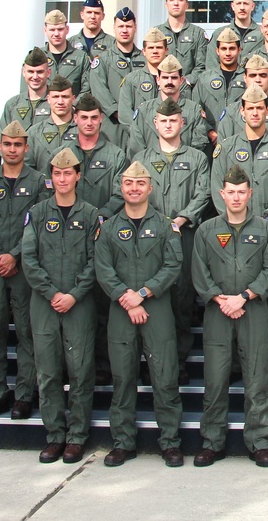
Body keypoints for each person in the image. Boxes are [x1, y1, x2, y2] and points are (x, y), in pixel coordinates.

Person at [192, 164, 268, 468]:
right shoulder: (207, 230)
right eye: (230, 192)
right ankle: (211, 441)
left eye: (240, 192)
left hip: (253, 310)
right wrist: (220, 299)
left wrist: (244, 296)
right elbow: (199, 270)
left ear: (250, 194)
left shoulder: (265, 229)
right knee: (215, 379)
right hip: (217, 311)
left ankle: (258, 442)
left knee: (257, 377)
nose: (235, 197)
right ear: (222, 194)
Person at [94, 161, 185, 468]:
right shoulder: (107, 229)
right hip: (121, 310)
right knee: (122, 379)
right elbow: (103, 269)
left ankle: (170, 443)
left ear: (150, 187)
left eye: (140, 183)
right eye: (128, 184)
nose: (134, 188)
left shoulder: (165, 225)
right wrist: (127, 299)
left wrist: (143, 294)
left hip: (156, 307)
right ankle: (122, 442)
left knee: (165, 377)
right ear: (122, 188)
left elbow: (173, 265)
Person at [210, 83, 268, 381]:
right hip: (233, 235)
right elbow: (216, 187)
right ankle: (236, 365)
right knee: (234, 296)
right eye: (249, 108)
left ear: (267, 111)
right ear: (242, 111)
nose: (254, 112)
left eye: (259, 108)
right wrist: (232, 217)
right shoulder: (227, 147)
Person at [20, 148, 100, 464]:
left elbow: (96, 261)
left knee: (80, 371)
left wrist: (73, 294)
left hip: (78, 304)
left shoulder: (92, 215)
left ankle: (76, 437)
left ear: (78, 176)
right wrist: (52, 292)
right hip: (44, 303)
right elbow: (29, 258)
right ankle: (54, 436)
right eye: (57, 173)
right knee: (48, 371)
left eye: (68, 173)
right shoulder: (37, 214)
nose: (63, 178)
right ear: (51, 178)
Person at [0, 121, 50, 420]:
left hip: (24, 266)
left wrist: (15, 255)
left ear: (26, 148)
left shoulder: (40, 182)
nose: (12, 149)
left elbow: (38, 224)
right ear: (0, 147)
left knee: (27, 333)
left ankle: (25, 395)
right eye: (7, 144)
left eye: (18, 144)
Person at [133, 99, 212, 384]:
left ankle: (177, 362)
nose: (168, 125)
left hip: (184, 234)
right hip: (149, 237)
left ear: (183, 123)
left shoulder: (197, 158)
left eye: (173, 120)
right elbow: (134, 192)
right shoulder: (141, 159)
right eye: (163, 121)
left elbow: (203, 193)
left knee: (181, 298)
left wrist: (182, 219)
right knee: (151, 298)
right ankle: (151, 361)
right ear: (155, 124)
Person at [55, 93, 127, 386]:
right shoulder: (62, 153)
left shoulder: (115, 154)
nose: (88, 122)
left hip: (103, 236)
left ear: (100, 119)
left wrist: (99, 217)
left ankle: (101, 365)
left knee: (100, 305)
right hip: (66, 240)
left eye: (94, 117)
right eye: (83, 117)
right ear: (75, 118)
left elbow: (119, 193)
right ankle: (67, 366)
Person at [129, 54, 211, 158]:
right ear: (158, 80)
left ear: (181, 80)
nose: (169, 82)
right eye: (165, 77)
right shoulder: (143, 110)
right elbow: (136, 147)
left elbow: (199, 146)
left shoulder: (194, 110)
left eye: (173, 78)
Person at [89, 7, 145, 146]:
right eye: (120, 26)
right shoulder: (103, 60)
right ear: (114, 28)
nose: (124, 30)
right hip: (112, 125)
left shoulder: (145, 59)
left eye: (128, 26)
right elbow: (100, 92)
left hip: (141, 125)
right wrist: (119, 113)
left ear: (135, 28)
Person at [117, 27, 170, 151]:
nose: (155, 51)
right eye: (151, 48)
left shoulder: (174, 80)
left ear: (166, 50)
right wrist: (143, 134)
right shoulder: (131, 80)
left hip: (169, 143)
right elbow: (125, 115)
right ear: (143, 51)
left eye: (159, 47)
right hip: (139, 145)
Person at [193, 27, 247, 145]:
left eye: (232, 48)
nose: (228, 53)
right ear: (217, 51)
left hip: (241, 142)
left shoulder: (247, 78)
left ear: (239, 50)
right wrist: (210, 132)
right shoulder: (204, 79)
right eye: (224, 49)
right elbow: (196, 110)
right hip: (210, 142)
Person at [157, 0, 209, 87]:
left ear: (186, 5)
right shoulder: (157, 33)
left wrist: (186, 81)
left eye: (180, 0)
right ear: (166, 4)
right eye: (172, 0)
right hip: (162, 90)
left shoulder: (198, 33)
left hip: (190, 90)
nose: (176, 3)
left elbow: (202, 66)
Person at [24, 75, 77, 171]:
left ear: (73, 99)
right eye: (56, 97)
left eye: (65, 97)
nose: (60, 102)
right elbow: (27, 169)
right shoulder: (34, 133)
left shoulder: (82, 131)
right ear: (48, 99)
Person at [34, 9, 90, 96]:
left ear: (67, 29)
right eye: (52, 30)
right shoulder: (37, 57)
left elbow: (87, 88)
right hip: (42, 109)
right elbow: (28, 89)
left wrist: (74, 106)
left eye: (60, 29)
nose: (56, 34)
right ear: (45, 31)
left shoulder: (81, 57)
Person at [209, 0, 263, 68]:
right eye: (238, 3)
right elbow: (211, 66)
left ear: (252, 6)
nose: (242, 8)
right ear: (233, 6)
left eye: (245, 3)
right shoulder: (219, 34)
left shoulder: (262, 33)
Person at [0, 47, 51, 129]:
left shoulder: (56, 103)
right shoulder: (12, 104)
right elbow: (3, 139)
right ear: (23, 72)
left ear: (48, 73)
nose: (35, 77)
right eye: (30, 71)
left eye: (40, 72)